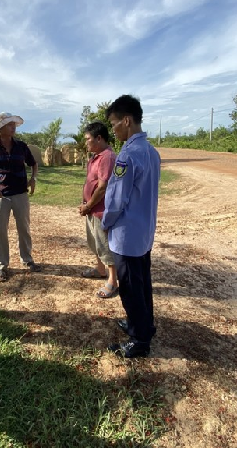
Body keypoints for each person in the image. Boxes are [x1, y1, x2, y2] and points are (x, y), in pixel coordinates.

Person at [101, 94, 161, 358]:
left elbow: (116, 199)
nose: (113, 130)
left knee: (130, 286)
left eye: (114, 124)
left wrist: (106, 223)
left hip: (126, 235)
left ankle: (139, 341)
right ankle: (144, 325)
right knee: (142, 282)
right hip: (144, 232)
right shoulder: (152, 152)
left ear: (126, 121)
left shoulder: (127, 155)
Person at [0, 112, 42, 282]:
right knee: (0, 232)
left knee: (24, 228)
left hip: (20, 194)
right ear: (1, 128)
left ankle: (27, 260)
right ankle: (1, 266)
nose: (13, 127)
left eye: (14, 124)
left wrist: (33, 178)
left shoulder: (21, 146)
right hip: (0, 197)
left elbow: (33, 163)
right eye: (9, 124)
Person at [78, 121, 119, 299]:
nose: (86, 142)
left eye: (88, 139)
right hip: (91, 210)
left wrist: (88, 205)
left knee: (105, 247)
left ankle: (112, 281)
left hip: (100, 211)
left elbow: (102, 187)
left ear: (99, 138)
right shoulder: (95, 156)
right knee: (95, 243)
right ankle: (100, 270)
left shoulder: (107, 157)